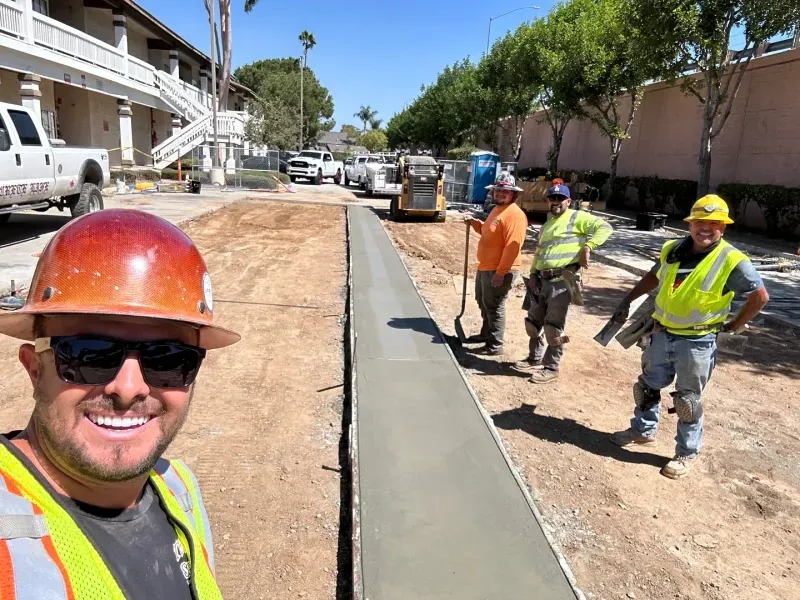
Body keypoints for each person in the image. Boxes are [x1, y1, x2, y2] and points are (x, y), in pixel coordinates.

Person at [0, 209, 240, 598]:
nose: (128, 388)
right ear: (33, 369)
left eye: (167, 358)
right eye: (88, 354)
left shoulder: (179, 488)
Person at [610, 195, 769, 479]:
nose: (704, 228)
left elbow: (760, 297)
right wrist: (629, 298)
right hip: (661, 334)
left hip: (697, 343)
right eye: (699, 222)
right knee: (647, 387)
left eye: (713, 223)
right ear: (690, 224)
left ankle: (686, 452)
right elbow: (653, 277)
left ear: (723, 227)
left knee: (687, 401)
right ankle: (642, 431)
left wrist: (733, 326)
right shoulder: (673, 248)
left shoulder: (732, 259)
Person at [516, 182, 613, 384]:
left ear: (569, 201)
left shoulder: (577, 217)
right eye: (553, 198)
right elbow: (540, 252)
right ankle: (534, 357)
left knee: (553, 326)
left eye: (561, 199)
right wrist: (533, 273)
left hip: (561, 282)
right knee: (533, 323)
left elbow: (605, 227)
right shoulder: (548, 224)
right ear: (548, 201)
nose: (556, 202)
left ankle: (551, 367)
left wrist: (589, 246)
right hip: (541, 279)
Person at [464, 173, 529, 356]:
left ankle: (495, 345)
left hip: (499, 269)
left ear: (513, 194)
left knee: (494, 306)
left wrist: (501, 272)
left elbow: (512, 247)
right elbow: (488, 232)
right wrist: (475, 224)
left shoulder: (515, 215)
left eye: (505, 191)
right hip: (485, 266)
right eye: (497, 190)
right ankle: (486, 334)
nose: (500, 193)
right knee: (483, 301)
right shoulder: (496, 210)